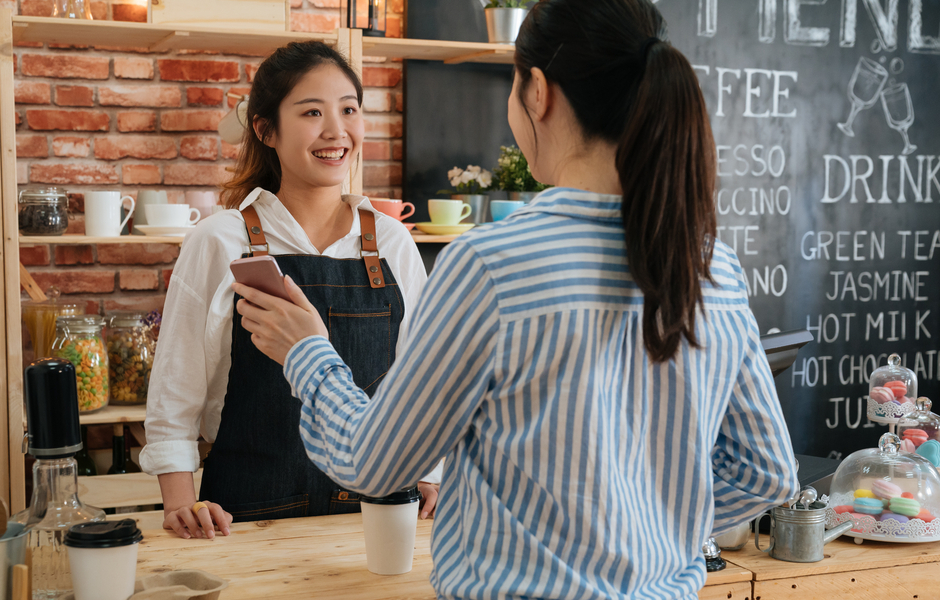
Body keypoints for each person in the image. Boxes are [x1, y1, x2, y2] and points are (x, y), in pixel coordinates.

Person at [233, 1, 799, 597]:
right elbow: (766, 473)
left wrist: (308, 353)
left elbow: (376, 463)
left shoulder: (491, 266)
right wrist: (647, 525)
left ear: (537, 92)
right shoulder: (714, 268)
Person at [139, 40, 441, 540]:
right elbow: (176, 395)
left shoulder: (390, 242)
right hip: (241, 519)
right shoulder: (221, 240)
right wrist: (179, 505)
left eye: (349, 110)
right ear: (265, 129)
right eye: (312, 112)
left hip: (373, 520)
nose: (336, 131)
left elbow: (425, 379)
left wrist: (428, 473)